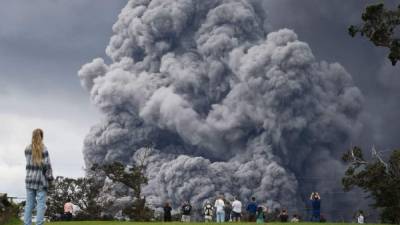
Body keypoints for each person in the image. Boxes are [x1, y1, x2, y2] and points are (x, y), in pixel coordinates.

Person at [24, 129, 53, 225]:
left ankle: (27, 223)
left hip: (29, 180)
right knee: (41, 205)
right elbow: (47, 166)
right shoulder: (44, 149)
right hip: (40, 181)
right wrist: (50, 179)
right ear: (41, 136)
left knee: (29, 205)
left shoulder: (27, 149)